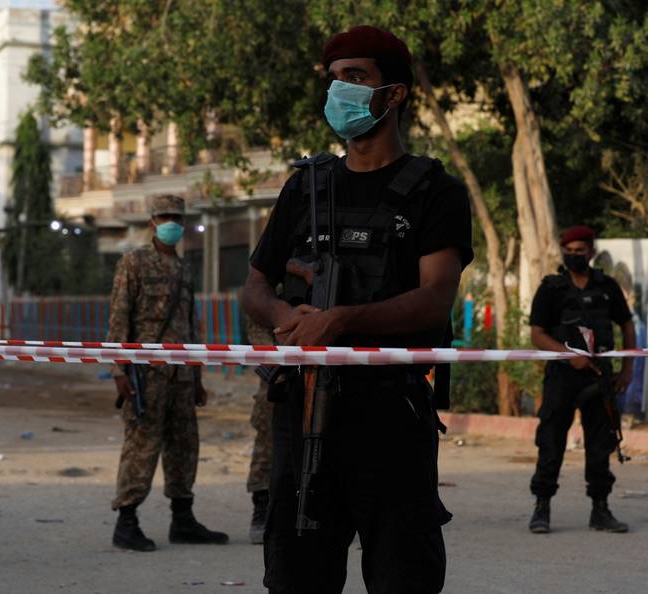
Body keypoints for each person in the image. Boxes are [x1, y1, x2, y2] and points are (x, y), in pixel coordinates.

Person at [242, 25, 473, 593]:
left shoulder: (434, 190)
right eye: (333, 80)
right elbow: (252, 285)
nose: (338, 92)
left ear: (394, 94)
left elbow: (434, 298)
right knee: (296, 577)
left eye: (355, 77)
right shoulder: (306, 187)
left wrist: (340, 321)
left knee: (403, 576)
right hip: (302, 413)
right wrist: (283, 317)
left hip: (391, 418)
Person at [107, 194, 229, 552]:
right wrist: (118, 368)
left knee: (184, 446)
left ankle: (183, 519)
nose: (172, 222)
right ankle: (126, 521)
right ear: (152, 222)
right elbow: (119, 316)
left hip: (181, 376)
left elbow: (191, 323)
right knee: (141, 446)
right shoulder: (134, 261)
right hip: (146, 375)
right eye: (165, 216)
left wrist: (198, 376)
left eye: (177, 216)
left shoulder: (184, 267)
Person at [527, 225, 633, 534]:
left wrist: (627, 370)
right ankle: (541, 507)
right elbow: (537, 334)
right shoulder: (551, 288)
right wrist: (566, 354)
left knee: (601, 445)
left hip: (600, 378)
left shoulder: (607, 286)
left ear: (592, 251)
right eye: (569, 252)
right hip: (561, 378)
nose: (574, 256)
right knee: (550, 443)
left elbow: (626, 325)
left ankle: (601, 509)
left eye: (580, 251)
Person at [245, 320, 273, 545]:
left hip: (320, 367)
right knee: (266, 443)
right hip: (277, 374)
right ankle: (261, 507)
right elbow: (256, 324)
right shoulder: (271, 287)